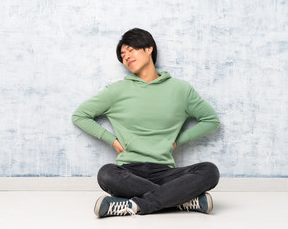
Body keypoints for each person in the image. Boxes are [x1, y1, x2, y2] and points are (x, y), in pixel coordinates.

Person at [72, 28, 220, 217]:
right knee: (106, 173)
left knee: (209, 171)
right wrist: (112, 140)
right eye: (123, 55)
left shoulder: (181, 90)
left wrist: (178, 140)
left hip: (166, 172)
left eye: (130, 50)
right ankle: (181, 200)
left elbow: (211, 120)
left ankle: (134, 205)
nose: (126, 57)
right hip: (128, 172)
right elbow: (80, 115)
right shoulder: (117, 91)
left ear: (149, 49)